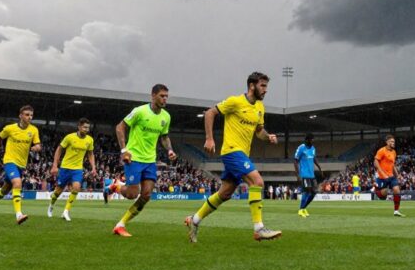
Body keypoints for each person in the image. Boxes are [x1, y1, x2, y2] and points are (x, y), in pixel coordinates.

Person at [185, 72, 282, 242]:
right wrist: (209, 138)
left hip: (242, 153)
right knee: (257, 182)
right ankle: (259, 228)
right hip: (231, 151)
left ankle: (194, 220)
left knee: (225, 193)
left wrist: (268, 137)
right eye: (263, 86)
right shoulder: (235, 101)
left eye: (266, 86)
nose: (266, 90)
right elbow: (210, 113)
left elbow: (259, 131)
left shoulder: (260, 107)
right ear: (252, 86)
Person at [111, 84, 174, 237]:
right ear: (153, 96)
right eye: (162, 96)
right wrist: (124, 150)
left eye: (166, 96)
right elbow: (120, 127)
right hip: (134, 158)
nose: (165, 99)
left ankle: (120, 225)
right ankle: (118, 186)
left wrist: (170, 149)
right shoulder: (139, 111)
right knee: (133, 194)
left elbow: (164, 137)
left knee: (146, 195)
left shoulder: (166, 117)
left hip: (150, 160)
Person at [0, 105, 41, 225]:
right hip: (9, 161)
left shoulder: (34, 130)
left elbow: (38, 145)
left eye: (31, 115)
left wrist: (36, 147)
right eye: (27, 114)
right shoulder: (10, 128)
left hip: (22, 164)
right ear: (20, 115)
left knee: (5, 189)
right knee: (17, 183)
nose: (29, 117)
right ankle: (19, 214)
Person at [47, 118, 97, 222]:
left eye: (88, 127)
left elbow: (90, 154)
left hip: (77, 169)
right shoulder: (69, 137)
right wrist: (55, 165)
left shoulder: (89, 140)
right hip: (65, 167)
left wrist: (93, 167)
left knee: (76, 187)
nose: (86, 129)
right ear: (79, 127)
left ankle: (66, 211)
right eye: (84, 127)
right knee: (58, 191)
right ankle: (51, 205)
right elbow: (59, 149)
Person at [373, 135, 403, 216]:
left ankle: (396, 211)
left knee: (396, 190)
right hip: (382, 177)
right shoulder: (381, 151)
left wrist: (397, 175)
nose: (393, 143)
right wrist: (382, 173)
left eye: (394, 142)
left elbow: (393, 165)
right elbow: (375, 162)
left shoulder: (394, 152)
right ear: (387, 142)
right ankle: (376, 189)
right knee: (383, 196)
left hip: (391, 176)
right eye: (391, 141)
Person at [294, 133, 323, 217]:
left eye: (313, 139)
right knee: (307, 191)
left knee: (314, 192)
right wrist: (297, 174)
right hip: (304, 173)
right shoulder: (301, 148)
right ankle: (301, 210)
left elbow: (314, 158)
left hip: (312, 174)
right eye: (311, 139)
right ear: (306, 140)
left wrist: (319, 167)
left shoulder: (313, 148)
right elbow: (295, 160)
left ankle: (303, 208)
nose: (312, 141)